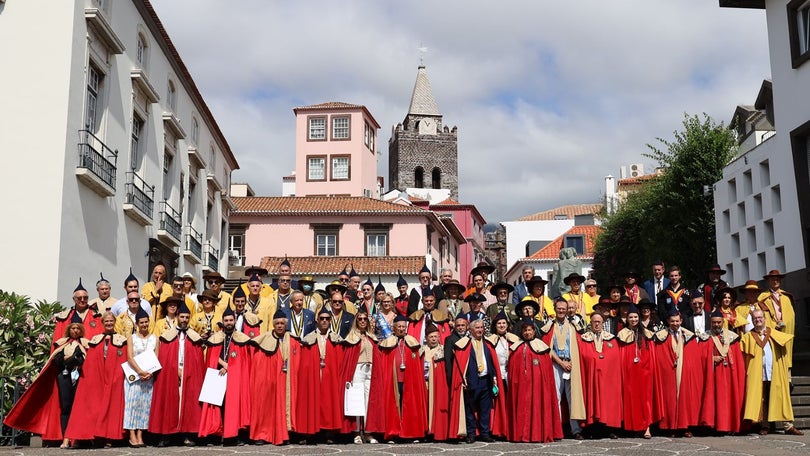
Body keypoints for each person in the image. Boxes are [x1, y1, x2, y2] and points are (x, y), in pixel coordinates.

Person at [4, 322, 88, 448]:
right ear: (69, 330)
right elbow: (57, 360)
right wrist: (71, 358)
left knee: (77, 408)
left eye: (77, 328)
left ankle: (76, 438)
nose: (75, 331)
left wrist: (69, 358)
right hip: (64, 377)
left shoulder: (85, 344)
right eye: (73, 328)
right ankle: (66, 437)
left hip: (79, 377)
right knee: (65, 407)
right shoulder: (61, 344)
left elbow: (81, 360)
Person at [63, 312, 126, 447]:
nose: (109, 323)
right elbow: (91, 361)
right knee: (93, 407)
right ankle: (92, 436)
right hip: (97, 378)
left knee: (111, 407)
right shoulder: (96, 339)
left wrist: (118, 376)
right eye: (106, 321)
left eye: (111, 321)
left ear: (114, 322)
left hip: (114, 377)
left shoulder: (122, 339)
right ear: (103, 323)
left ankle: (109, 437)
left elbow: (123, 359)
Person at [149, 302, 206, 447]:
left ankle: (187, 434)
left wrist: (187, 370)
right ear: (177, 317)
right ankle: (166, 435)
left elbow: (197, 360)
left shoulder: (194, 337)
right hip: (171, 374)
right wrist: (175, 369)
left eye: (187, 317)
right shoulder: (167, 336)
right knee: (169, 401)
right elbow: (164, 358)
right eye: (182, 317)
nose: (185, 319)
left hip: (189, 375)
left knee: (188, 402)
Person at [740, 309, 802, 435]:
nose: (758, 320)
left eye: (760, 317)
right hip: (757, 374)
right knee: (763, 399)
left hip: (775, 372)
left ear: (765, 318)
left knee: (781, 397)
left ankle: (788, 426)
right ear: (752, 321)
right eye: (755, 318)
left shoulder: (773, 333)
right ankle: (765, 425)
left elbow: (784, 348)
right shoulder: (747, 337)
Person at [366, 315, 428, 442]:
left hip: (409, 380)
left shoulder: (412, 342)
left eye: (403, 327)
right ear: (393, 328)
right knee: (392, 406)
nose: (401, 329)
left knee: (409, 406)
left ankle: (410, 433)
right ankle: (393, 433)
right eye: (399, 327)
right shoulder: (387, 343)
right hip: (392, 380)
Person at [198, 307, 251, 444]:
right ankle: (216, 434)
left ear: (234, 321)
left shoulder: (242, 339)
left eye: (231, 320)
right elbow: (211, 357)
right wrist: (223, 364)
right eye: (226, 320)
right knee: (217, 405)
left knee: (233, 406)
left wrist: (229, 368)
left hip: (235, 378)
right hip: (218, 375)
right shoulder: (215, 338)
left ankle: (233, 435)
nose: (228, 323)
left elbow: (243, 361)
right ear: (222, 322)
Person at [249, 308, 301, 446]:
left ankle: (285, 433)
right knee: (265, 406)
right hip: (270, 381)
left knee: (285, 406)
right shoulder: (266, 340)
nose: (279, 326)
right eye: (277, 323)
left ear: (286, 324)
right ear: (273, 324)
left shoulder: (293, 341)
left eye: (282, 323)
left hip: (287, 380)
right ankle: (262, 434)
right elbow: (259, 363)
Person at [448, 316, 504, 443]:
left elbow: (492, 362)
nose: (480, 330)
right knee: (470, 409)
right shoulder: (465, 344)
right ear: (471, 329)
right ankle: (471, 433)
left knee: (485, 409)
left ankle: (484, 433)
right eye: (477, 328)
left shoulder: (488, 344)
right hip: (472, 381)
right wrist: (463, 379)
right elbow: (461, 364)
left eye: (481, 327)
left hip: (486, 380)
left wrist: (494, 376)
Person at [651, 309, 706, 437]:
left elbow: (693, 358)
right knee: (669, 400)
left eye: (677, 321)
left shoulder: (689, 336)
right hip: (668, 373)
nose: (675, 323)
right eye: (672, 321)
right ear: (668, 322)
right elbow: (659, 356)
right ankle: (670, 427)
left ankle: (685, 426)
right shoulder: (661, 336)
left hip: (684, 373)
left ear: (681, 321)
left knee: (686, 400)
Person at [507, 318, 562, 443]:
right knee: (522, 408)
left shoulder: (541, 347)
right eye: (525, 330)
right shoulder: (516, 347)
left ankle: (538, 433)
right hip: (521, 386)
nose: (527, 333)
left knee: (538, 406)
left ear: (534, 331)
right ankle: (521, 434)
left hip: (537, 386)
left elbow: (546, 370)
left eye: (529, 330)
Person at [297, 307, 343, 441]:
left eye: (327, 319)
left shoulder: (336, 338)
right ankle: (310, 431)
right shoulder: (308, 338)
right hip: (313, 376)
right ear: (317, 321)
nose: (324, 321)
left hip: (329, 377)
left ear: (330, 321)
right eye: (321, 319)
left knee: (328, 402)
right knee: (311, 401)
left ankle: (329, 432)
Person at [542, 298, 585, 439]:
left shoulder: (573, 326)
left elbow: (579, 345)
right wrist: (561, 363)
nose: (561, 311)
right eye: (559, 308)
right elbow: (548, 347)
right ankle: (557, 429)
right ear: (554, 309)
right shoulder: (550, 326)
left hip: (572, 364)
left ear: (567, 310)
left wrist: (570, 363)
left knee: (573, 397)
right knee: (557, 397)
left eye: (563, 308)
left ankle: (575, 430)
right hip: (556, 364)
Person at [699, 309, 745, 434]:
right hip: (712, 374)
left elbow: (737, 359)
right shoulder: (705, 337)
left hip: (729, 374)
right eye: (714, 323)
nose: (716, 325)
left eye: (719, 322)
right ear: (710, 322)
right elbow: (700, 357)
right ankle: (713, 426)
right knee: (714, 400)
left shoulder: (732, 337)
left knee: (728, 400)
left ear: (723, 322)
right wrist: (711, 358)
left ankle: (729, 425)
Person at [578, 313, 622, 439]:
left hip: (608, 379)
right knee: (591, 400)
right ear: (590, 323)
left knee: (609, 402)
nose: (596, 324)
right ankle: (591, 429)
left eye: (599, 322)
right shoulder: (583, 339)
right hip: (590, 377)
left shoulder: (611, 339)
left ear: (603, 323)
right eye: (594, 322)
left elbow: (614, 358)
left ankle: (610, 429)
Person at [617, 304, 655, 438]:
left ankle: (647, 427)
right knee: (631, 399)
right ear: (627, 319)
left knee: (645, 399)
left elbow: (651, 354)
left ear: (639, 318)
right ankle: (632, 426)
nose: (633, 319)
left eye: (635, 317)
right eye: (631, 317)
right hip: (629, 372)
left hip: (644, 371)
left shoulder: (646, 333)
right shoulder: (622, 334)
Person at [339, 309, 377, 444]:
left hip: (370, 370)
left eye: (364, 319)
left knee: (368, 401)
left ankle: (367, 432)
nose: (362, 321)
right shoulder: (352, 337)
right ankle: (356, 433)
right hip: (357, 370)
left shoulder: (371, 336)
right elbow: (349, 357)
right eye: (360, 319)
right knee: (357, 401)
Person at [124, 308, 158, 447]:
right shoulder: (132, 337)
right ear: (137, 323)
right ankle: (132, 433)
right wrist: (140, 371)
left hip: (148, 378)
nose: (144, 325)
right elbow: (130, 357)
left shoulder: (154, 338)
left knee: (145, 406)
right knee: (132, 405)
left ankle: (140, 434)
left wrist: (150, 373)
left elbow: (156, 357)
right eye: (141, 322)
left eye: (146, 322)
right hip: (134, 375)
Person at [757, 269, 796, 370]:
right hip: (772, 328)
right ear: (768, 281)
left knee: (787, 353)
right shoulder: (762, 297)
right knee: (773, 353)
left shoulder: (786, 297)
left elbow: (791, 315)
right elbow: (761, 315)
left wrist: (785, 322)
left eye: (777, 279)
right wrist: (773, 324)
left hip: (785, 329)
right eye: (772, 279)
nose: (775, 281)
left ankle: (788, 378)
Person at [422, 324, 450, 442]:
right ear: (426, 338)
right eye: (431, 337)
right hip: (424, 383)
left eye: (435, 337)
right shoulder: (421, 350)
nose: (433, 339)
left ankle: (437, 431)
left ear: (439, 337)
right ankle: (425, 432)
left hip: (438, 385)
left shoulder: (443, 351)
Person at [53, 278, 102, 347]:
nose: (82, 300)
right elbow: (57, 338)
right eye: (79, 298)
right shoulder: (65, 316)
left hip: (90, 352)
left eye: (85, 298)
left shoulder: (96, 316)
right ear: (74, 299)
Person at [486, 311, 519, 389]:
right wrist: (493, 376)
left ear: (507, 325)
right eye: (499, 323)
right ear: (495, 325)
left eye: (504, 323)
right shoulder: (490, 341)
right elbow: (489, 360)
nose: (502, 325)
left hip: (511, 374)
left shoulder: (514, 339)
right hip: (497, 375)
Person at [444, 315, 469, 387]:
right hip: (457, 375)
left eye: (462, 325)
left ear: (467, 326)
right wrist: (450, 379)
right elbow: (448, 361)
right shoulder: (449, 340)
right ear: (454, 327)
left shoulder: (471, 338)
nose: (460, 328)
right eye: (458, 326)